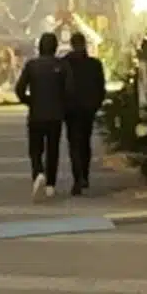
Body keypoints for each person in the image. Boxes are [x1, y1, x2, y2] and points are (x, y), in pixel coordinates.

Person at [14, 32, 70, 201]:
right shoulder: (62, 66)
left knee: (36, 149)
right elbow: (69, 90)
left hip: (36, 114)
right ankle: (51, 184)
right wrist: (62, 104)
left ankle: (38, 172)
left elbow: (19, 89)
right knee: (53, 149)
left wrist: (29, 101)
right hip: (55, 115)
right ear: (55, 47)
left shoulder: (32, 66)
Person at [58, 32, 105, 196]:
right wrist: (96, 105)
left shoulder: (64, 64)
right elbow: (101, 88)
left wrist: (62, 106)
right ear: (85, 44)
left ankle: (78, 177)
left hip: (71, 109)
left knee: (74, 144)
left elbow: (59, 88)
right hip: (88, 109)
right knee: (85, 142)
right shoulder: (95, 64)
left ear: (71, 44)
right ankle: (84, 175)